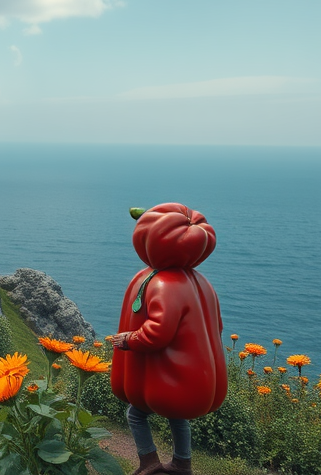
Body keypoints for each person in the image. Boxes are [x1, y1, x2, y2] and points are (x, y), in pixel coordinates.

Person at [110, 203, 227, 475]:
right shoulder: (201, 282)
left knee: (135, 414)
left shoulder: (162, 284)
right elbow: (217, 327)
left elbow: (157, 333)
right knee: (178, 417)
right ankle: (182, 463)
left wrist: (128, 339)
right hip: (192, 376)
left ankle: (149, 462)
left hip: (166, 376)